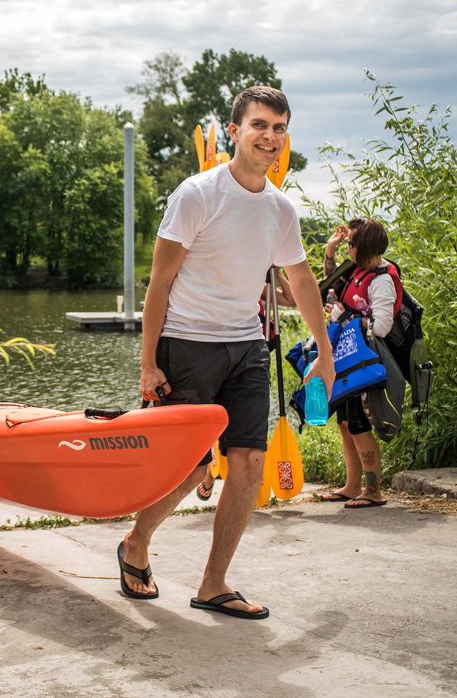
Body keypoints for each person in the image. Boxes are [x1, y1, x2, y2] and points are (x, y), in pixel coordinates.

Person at [120, 86, 335, 620]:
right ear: (235, 131)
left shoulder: (280, 209)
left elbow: (302, 280)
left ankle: (214, 583)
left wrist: (325, 352)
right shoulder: (197, 195)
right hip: (187, 343)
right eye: (260, 125)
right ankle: (136, 543)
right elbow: (159, 283)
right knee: (189, 469)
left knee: (248, 465)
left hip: (247, 346)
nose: (270, 136)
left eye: (279, 128)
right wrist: (149, 363)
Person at [315, 218, 401, 509]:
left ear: (364, 247)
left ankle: (373, 490)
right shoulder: (358, 269)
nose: (348, 249)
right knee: (345, 424)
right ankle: (352, 486)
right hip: (350, 361)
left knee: (359, 425)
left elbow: (382, 327)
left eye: (351, 244)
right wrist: (330, 249)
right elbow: (331, 284)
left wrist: (345, 317)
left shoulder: (381, 280)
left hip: (366, 365)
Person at [195, 267, 296, 502]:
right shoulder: (222, 278)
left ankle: (242, 478)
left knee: (247, 422)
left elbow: (291, 300)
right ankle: (210, 473)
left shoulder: (256, 284)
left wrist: (276, 271)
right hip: (218, 354)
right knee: (217, 417)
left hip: (252, 357)